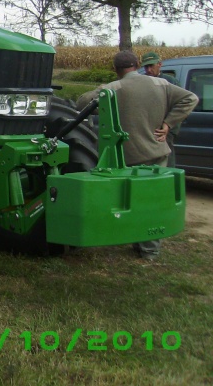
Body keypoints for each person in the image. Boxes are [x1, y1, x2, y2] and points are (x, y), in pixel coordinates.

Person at [77, 50, 198, 260]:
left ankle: (132, 238)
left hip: (128, 156)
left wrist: (103, 91)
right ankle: (150, 249)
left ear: (115, 70)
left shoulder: (113, 88)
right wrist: (168, 123)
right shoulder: (161, 85)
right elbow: (190, 98)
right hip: (157, 152)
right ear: (137, 64)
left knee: (128, 202)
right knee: (153, 201)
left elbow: (82, 103)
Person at [141, 51, 181, 167]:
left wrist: (168, 127)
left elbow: (179, 105)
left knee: (167, 163)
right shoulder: (142, 82)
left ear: (159, 64)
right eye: (146, 67)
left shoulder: (170, 82)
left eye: (151, 66)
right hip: (146, 129)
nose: (148, 70)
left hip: (164, 131)